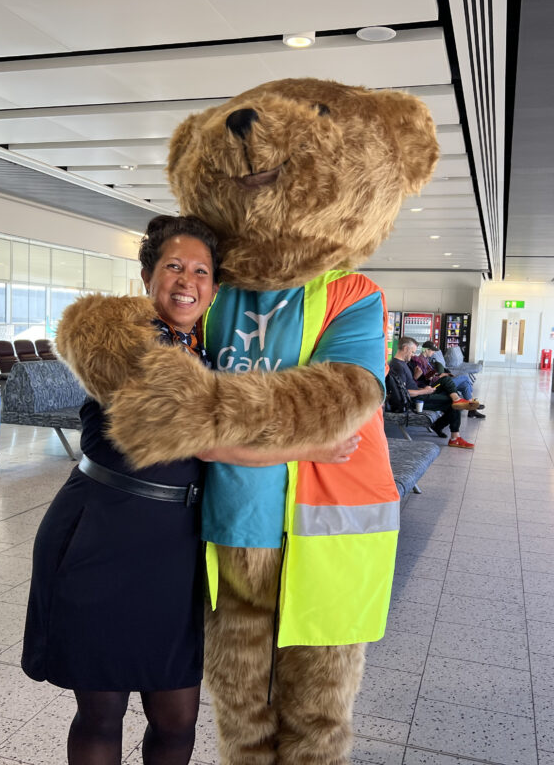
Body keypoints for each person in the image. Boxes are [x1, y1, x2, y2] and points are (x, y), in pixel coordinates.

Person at [22, 215, 359, 765]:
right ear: (148, 276)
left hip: (174, 547)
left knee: (178, 720)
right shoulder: (126, 344)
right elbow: (208, 443)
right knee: (100, 714)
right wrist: (307, 447)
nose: (187, 281)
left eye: (201, 271)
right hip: (101, 537)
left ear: (215, 286)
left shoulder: (202, 343)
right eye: (174, 267)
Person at [390, 337, 476, 448]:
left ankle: (455, 402)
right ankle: (454, 437)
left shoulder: (402, 364)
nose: (413, 354)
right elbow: (405, 393)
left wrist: (423, 389)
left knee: (445, 381)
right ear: (405, 348)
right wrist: (425, 391)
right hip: (415, 401)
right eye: (412, 351)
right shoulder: (397, 366)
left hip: (419, 394)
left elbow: (408, 387)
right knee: (453, 404)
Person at [419, 340, 485, 419]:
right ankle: (471, 403)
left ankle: (472, 410)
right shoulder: (421, 360)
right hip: (436, 385)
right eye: (432, 350)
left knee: (465, 385)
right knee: (465, 378)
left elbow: (429, 375)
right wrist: (440, 376)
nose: (433, 353)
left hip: (438, 381)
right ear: (426, 350)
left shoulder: (426, 360)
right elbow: (427, 378)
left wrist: (441, 374)